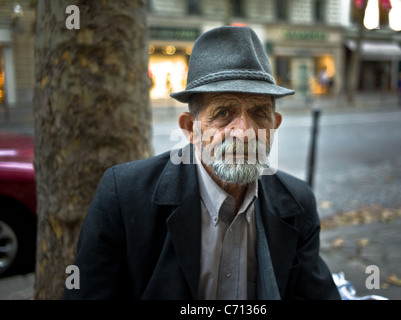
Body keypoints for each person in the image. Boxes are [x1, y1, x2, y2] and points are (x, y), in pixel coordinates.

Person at [62, 26, 340, 300]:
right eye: (223, 113)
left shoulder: (297, 203)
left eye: (259, 113)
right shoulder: (124, 197)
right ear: (190, 129)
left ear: (274, 125)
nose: (244, 132)